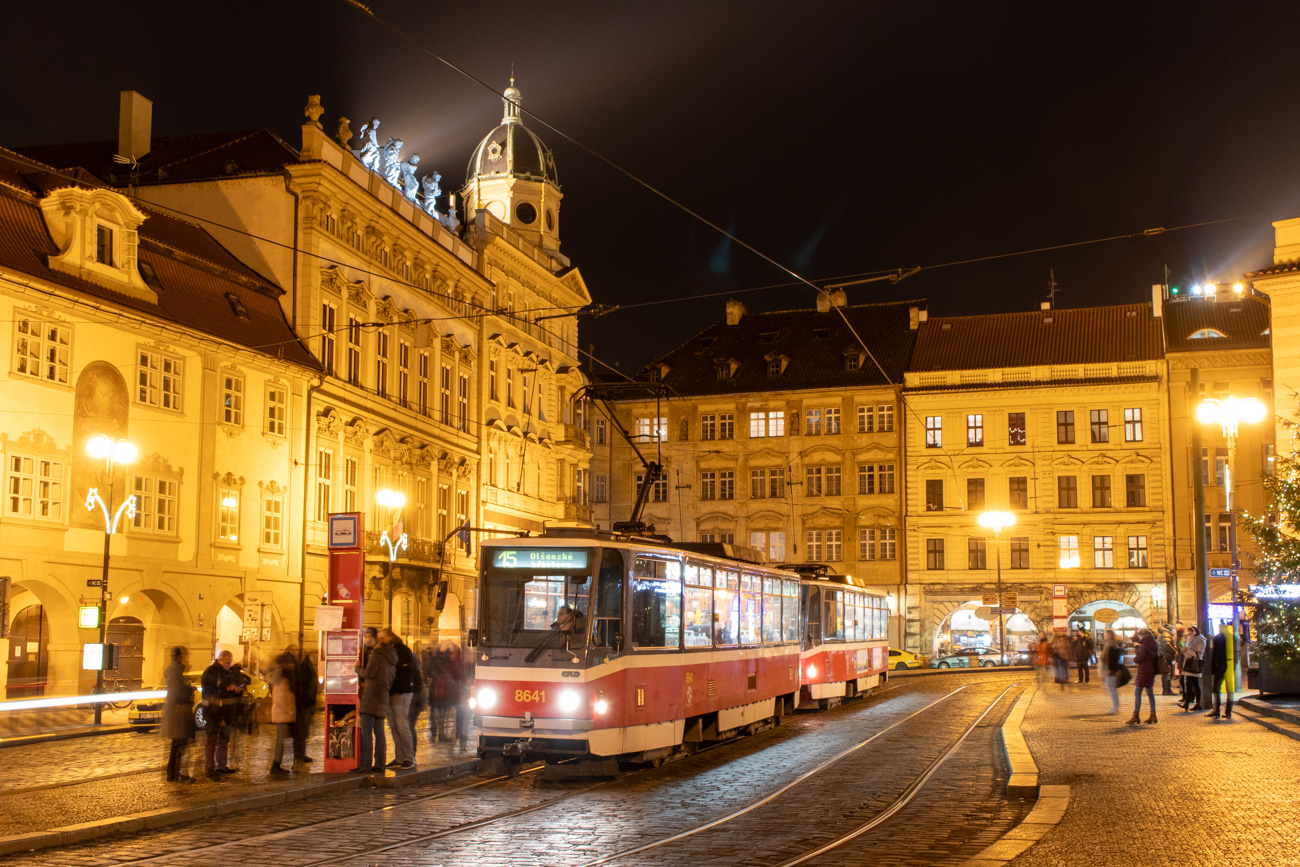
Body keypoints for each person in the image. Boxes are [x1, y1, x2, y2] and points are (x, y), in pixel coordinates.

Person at [353, 628, 396, 773]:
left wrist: (357, 668)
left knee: (366, 733)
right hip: (382, 696)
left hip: (370, 696)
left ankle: (365, 765)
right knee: (379, 733)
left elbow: (368, 673)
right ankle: (379, 764)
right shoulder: (391, 656)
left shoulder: (376, 655)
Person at [200, 650, 241, 780]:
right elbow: (212, 694)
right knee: (212, 741)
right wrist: (227, 688)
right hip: (214, 712)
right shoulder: (211, 673)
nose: (229, 665)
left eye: (230, 663)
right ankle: (210, 768)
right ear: (220, 660)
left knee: (224, 740)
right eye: (227, 663)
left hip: (226, 711)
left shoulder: (226, 672)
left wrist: (236, 690)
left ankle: (221, 766)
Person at [383, 628, 418, 770]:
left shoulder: (402, 650)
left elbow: (406, 673)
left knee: (402, 725)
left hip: (401, 693)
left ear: (390, 637)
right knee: (393, 726)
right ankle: (399, 757)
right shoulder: (388, 650)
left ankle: (409, 757)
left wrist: (400, 688)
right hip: (390, 693)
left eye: (383, 637)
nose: (381, 640)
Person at [162, 645, 196, 783]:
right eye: (186, 655)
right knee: (179, 745)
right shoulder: (175, 672)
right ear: (179, 656)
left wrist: (188, 687)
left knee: (177, 745)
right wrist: (188, 692)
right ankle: (177, 775)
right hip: (179, 713)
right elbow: (176, 692)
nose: (187, 658)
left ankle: (172, 775)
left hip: (178, 712)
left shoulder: (176, 671)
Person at [268, 650, 297, 776]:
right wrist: (289, 711)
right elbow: (281, 699)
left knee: (282, 740)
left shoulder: (282, 678)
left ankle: (277, 764)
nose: (292, 665)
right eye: (290, 663)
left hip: (283, 713)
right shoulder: (282, 679)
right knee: (280, 740)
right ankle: (276, 765)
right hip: (282, 714)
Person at [292, 648, 319, 767]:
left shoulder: (305, 665)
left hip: (306, 704)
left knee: (303, 731)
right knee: (300, 732)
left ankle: (301, 754)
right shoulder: (301, 667)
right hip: (302, 704)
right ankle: (298, 755)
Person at [1128, 627, 1159, 725]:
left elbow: (1141, 657)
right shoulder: (1154, 643)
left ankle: (1136, 715)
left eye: (1140, 636)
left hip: (1144, 670)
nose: (1139, 637)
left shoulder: (1144, 645)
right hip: (1151, 669)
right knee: (1150, 693)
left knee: (1137, 692)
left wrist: (1135, 659)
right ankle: (1153, 714)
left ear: (1143, 635)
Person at [1206, 626, 1234, 720]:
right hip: (1230, 664)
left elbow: (1215, 654)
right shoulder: (1233, 637)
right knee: (1230, 690)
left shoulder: (1218, 637)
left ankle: (1216, 709)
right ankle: (1228, 711)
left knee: (1216, 688)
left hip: (1220, 666)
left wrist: (1213, 667)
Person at [1179, 625, 1206, 711]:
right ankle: (1190, 703)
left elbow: (1198, 654)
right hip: (1188, 663)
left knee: (1192, 683)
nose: (1189, 634)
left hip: (1194, 664)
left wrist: (1187, 650)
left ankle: (1192, 703)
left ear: (1194, 632)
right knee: (1191, 683)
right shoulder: (1189, 640)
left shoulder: (1200, 640)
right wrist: (1184, 650)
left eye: (1190, 632)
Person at [1101, 629, 1122, 714]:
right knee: (1110, 688)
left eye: (1107, 635)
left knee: (1112, 688)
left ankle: (1115, 707)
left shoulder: (1113, 645)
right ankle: (1115, 706)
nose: (1106, 636)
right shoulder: (1109, 645)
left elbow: (1114, 659)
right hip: (1108, 669)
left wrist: (1111, 669)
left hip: (1111, 670)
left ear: (1111, 635)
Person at [1156, 625, 1178, 696]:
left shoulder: (1162, 634)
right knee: (1167, 673)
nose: (1174, 631)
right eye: (1173, 630)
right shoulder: (1166, 634)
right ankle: (1167, 689)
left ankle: (1166, 689)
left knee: (1165, 673)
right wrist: (1174, 651)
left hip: (1164, 656)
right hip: (1167, 656)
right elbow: (1167, 645)